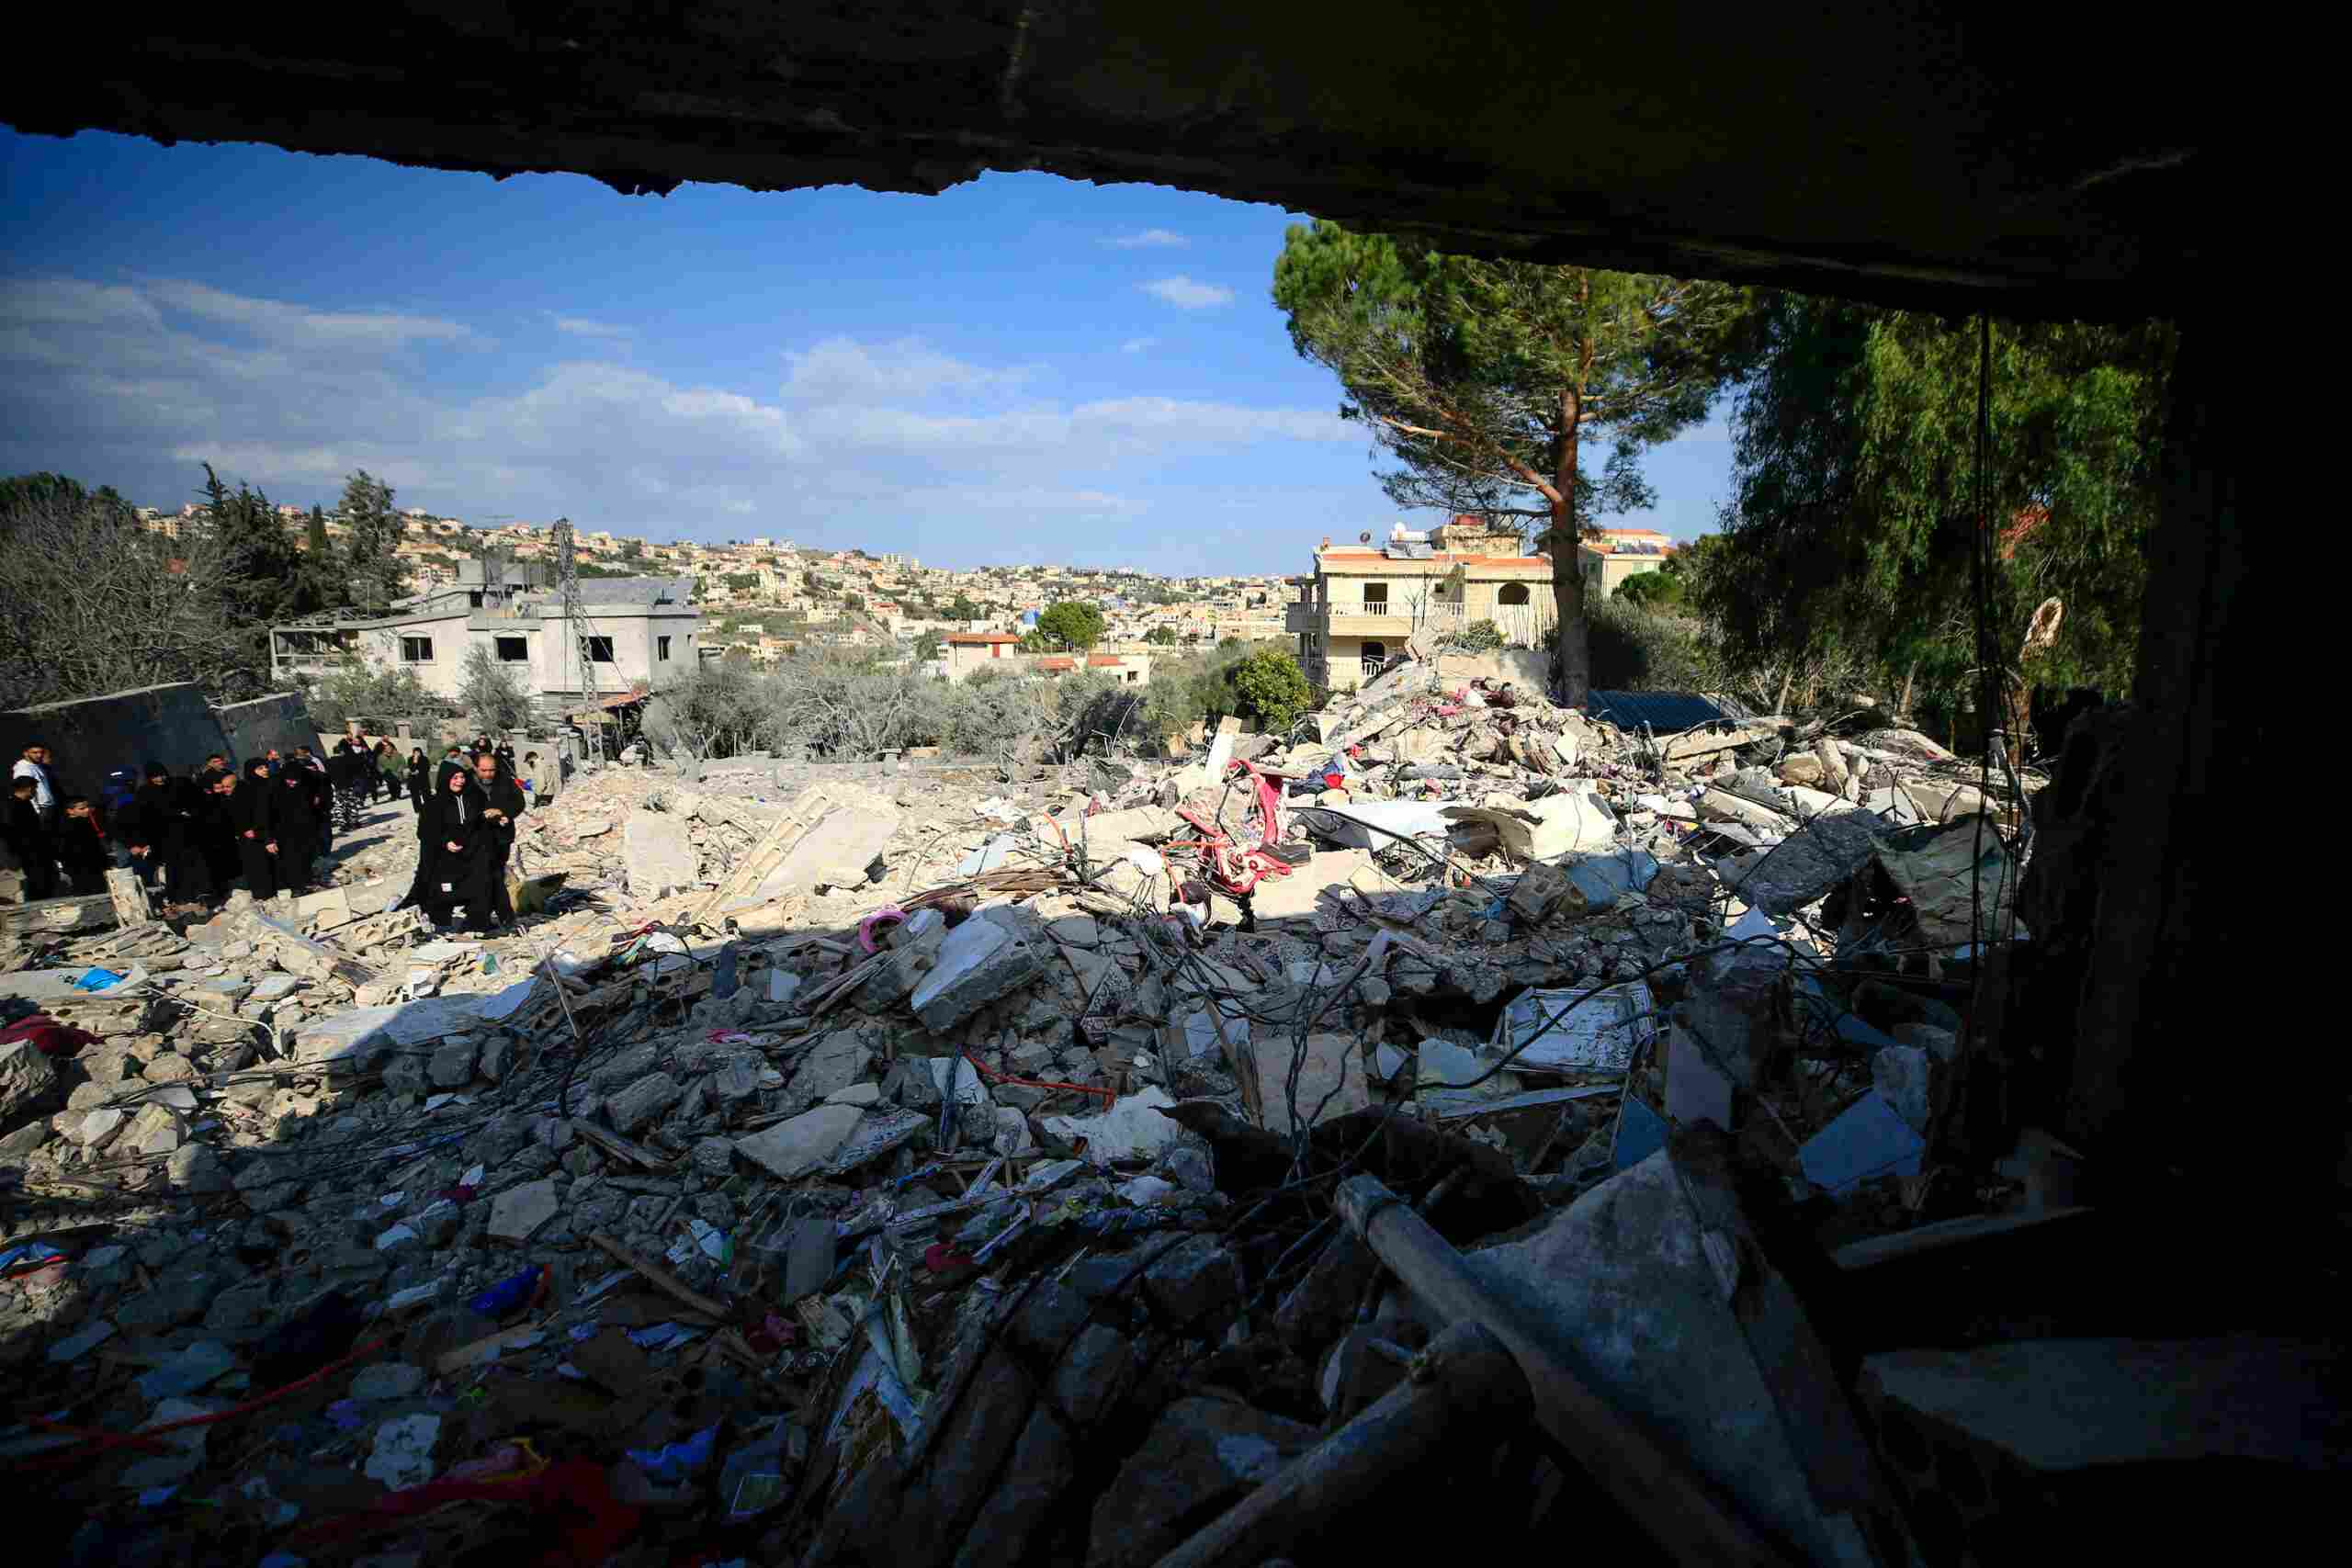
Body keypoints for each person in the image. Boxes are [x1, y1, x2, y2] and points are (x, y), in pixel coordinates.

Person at [423, 763, 494, 931]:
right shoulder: (435, 802)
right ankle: (441, 924)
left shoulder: (475, 797)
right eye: (455, 778)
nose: (460, 781)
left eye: (462, 777)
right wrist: (445, 842)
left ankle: (478, 921)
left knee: (480, 885)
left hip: (473, 851)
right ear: (446, 779)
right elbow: (426, 831)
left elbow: (483, 821)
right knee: (446, 889)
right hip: (447, 855)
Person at [474, 750, 526, 930]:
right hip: (478, 839)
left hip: (501, 838)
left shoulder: (505, 781)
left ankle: (495, 917)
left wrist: (503, 811)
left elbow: (519, 803)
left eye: (492, 770)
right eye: (484, 770)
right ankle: (500, 916)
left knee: (495, 875)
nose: (488, 774)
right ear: (476, 768)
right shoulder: (466, 783)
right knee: (487, 877)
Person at [271, 763, 322, 896]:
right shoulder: (275, 789)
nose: (293, 782)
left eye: (296, 780)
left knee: (306, 856)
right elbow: (268, 814)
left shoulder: (305, 788)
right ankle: (297, 887)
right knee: (291, 860)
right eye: (290, 780)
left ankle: (307, 881)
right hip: (284, 832)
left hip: (305, 830)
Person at [232, 758, 278, 898]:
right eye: (260, 768)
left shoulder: (269, 784)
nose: (265, 769)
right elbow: (244, 814)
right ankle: (264, 897)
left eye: (265, 766)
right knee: (259, 868)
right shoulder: (246, 789)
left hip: (267, 832)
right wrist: (266, 838)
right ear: (251, 771)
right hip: (254, 836)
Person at [5, 776, 57, 900]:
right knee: (37, 885)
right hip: (29, 854)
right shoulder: (12, 806)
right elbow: (12, 832)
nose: (36, 791)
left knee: (44, 883)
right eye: (35, 788)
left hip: (36, 852)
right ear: (28, 788)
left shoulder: (25, 803)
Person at [54, 795, 113, 895]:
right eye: (82, 808)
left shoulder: (84, 821)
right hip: (82, 868)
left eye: (88, 807)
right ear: (70, 811)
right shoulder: (67, 827)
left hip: (90, 866)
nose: (87, 810)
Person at [13, 744, 58, 828]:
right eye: (35, 752)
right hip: (40, 810)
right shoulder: (23, 768)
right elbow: (25, 791)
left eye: (41, 752)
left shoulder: (36, 765)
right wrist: (36, 811)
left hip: (47, 808)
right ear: (25, 753)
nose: (39, 755)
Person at [376, 739, 404, 803]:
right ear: (385, 749)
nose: (388, 749)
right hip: (388, 774)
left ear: (392, 748)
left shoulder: (398, 755)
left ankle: (398, 795)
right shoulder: (381, 756)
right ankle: (393, 796)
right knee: (390, 785)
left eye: (389, 748)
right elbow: (379, 765)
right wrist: (383, 771)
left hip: (397, 772)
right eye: (387, 748)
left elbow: (403, 762)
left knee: (398, 784)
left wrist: (400, 769)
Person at [405, 747, 431, 814]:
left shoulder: (425, 759)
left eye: (418, 752)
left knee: (426, 794)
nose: (416, 754)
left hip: (423, 779)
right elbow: (411, 768)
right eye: (415, 753)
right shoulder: (410, 759)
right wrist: (415, 762)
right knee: (415, 796)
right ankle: (417, 809)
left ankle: (428, 807)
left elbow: (427, 768)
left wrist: (419, 771)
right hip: (413, 780)